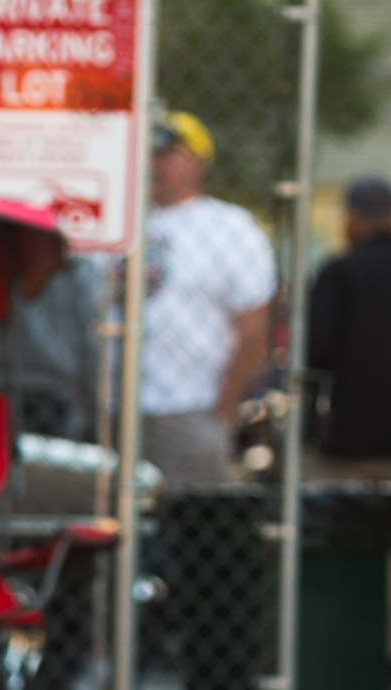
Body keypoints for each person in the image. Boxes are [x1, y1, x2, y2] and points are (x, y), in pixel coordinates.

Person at [138, 111, 277, 485]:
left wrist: (225, 408)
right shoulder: (123, 220)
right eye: (146, 153)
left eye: (166, 154)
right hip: (115, 407)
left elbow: (253, 328)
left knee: (190, 519)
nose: (152, 164)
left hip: (191, 406)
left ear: (197, 161)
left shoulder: (230, 228)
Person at [306, 176, 391, 659]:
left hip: (345, 448)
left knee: (337, 548)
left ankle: (338, 653)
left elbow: (317, 352)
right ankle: (388, 662)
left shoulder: (340, 273)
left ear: (352, 216)